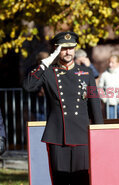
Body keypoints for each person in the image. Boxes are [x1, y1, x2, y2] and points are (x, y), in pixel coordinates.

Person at [23, 31, 103, 185]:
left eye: (71, 48)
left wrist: (99, 134)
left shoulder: (86, 73)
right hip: (58, 135)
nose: (68, 52)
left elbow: (95, 105)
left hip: (81, 135)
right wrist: (46, 62)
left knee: (82, 179)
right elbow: (28, 85)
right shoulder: (49, 72)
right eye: (64, 48)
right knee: (60, 180)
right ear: (56, 49)